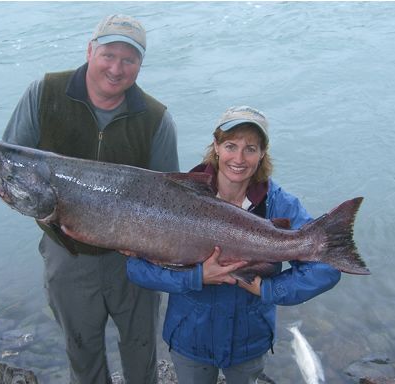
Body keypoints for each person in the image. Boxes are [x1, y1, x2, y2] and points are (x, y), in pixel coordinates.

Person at [2, 14, 179, 384]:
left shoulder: (157, 119)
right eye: (108, 54)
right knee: (82, 352)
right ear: (89, 50)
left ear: (140, 65)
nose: (116, 68)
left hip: (134, 263)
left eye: (129, 59)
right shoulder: (44, 93)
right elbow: (13, 166)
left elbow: (173, 202)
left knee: (141, 348)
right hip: (67, 254)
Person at [126, 106, 341, 384]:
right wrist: (197, 277)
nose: (239, 158)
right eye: (230, 145)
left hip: (249, 343)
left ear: (263, 152)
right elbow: (136, 269)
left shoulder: (281, 204)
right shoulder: (175, 196)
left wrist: (270, 289)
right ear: (216, 146)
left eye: (250, 148)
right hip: (191, 338)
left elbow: (328, 265)